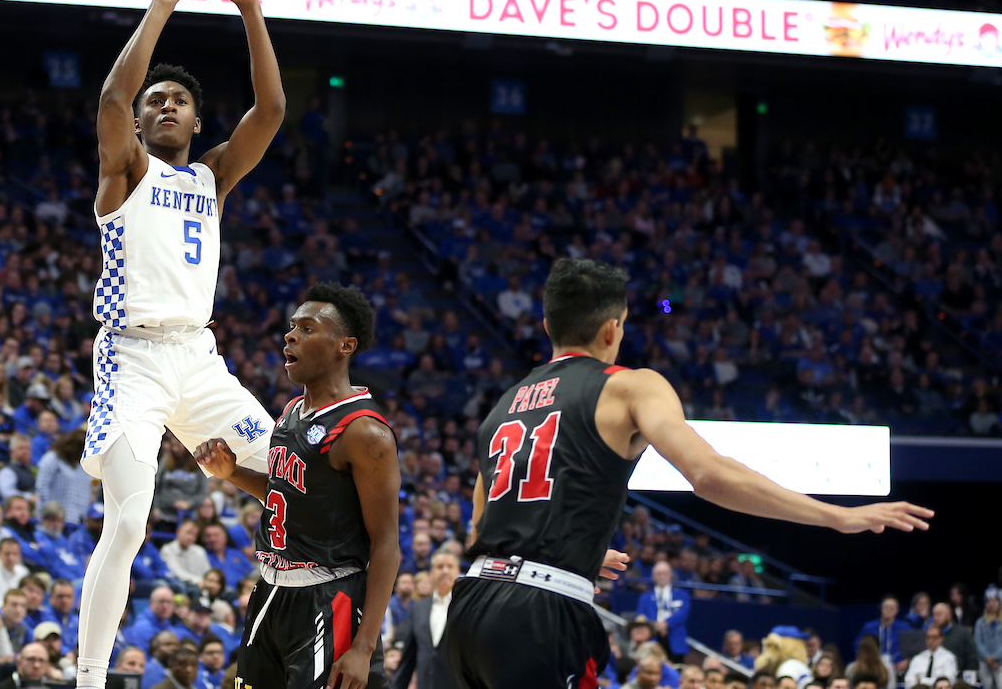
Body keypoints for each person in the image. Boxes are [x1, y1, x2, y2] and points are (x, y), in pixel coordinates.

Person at [443, 259, 933, 689]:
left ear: (548, 322)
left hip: (469, 609)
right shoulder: (629, 387)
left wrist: (572, 550)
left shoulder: (505, 404)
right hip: (538, 616)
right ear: (613, 328)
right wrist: (836, 517)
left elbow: (481, 529)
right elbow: (709, 474)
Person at [74, 0, 284, 689]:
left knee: (299, 477)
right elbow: (108, 102)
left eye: (179, 101)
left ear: (196, 122)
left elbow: (271, 110)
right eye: (154, 100)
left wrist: (250, 6)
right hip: (131, 359)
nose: (165, 106)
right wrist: (160, 6)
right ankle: (90, 678)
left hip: (199, 360)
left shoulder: (212, 175)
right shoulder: (125, 170)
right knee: (128, 521)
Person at [197, 282, 400, 689]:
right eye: (292, 327)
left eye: (307, 329)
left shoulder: (365, 432)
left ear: (345, 345)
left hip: (328, 596)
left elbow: (387, 546)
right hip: (270, 591)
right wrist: (231, 472)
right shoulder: (291, 411)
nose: (290, 335)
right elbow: (285, 496)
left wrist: (363, 647)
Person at [392, 549, 460, 689]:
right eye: (440, 567)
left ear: (458, 572)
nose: (445, 571)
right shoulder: (419, 608)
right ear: (431, 572)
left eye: (450, 567)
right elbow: (408, 659)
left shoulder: (466, 606)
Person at [637, 561, 690, 662]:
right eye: (658, 573)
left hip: (675, 639)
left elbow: (683, 614)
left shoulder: (682, 595)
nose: (662, 576)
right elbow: (641, 617)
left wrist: (666, 624)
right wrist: (656, 626)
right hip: (652, 639)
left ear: (671, 576)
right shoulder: (645, 598)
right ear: (653, 577)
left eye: (665, 573)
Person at [857, 597, 912, 674]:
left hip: (898, 668)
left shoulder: (904, 627)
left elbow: (913, 647)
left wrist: (907, 661)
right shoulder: (869, 627)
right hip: (873, 667)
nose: (889, 610)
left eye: (892, 607)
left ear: (897, 610)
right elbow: (859, 646)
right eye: (886, 607)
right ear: (881, 609)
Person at [160, 520, 211, 591]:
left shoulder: (200, 551)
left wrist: (208, 583)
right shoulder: (167, 550)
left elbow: (208, 573)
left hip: (202, 585)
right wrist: (198, 581)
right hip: (181, 585)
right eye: (188, 533)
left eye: (194, 535)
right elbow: (177, 572)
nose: (191, 537)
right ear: (178, 531)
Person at [932, 602, 977, 676]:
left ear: (949, 615)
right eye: (934, 615)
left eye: (939, 614)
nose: (935, 618)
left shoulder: (963, 633)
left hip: (958, 678)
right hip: (935, 677)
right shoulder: (930, 635)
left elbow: (972, 658)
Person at [976, 586, 1002, 689]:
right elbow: (978, 642)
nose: (991, 604)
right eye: (988, 601)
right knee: (987, 686)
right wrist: (988, 658)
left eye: (994, 601)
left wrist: (994, 657)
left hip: (1000, 662)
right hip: (984, 661)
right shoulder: (980, 622)